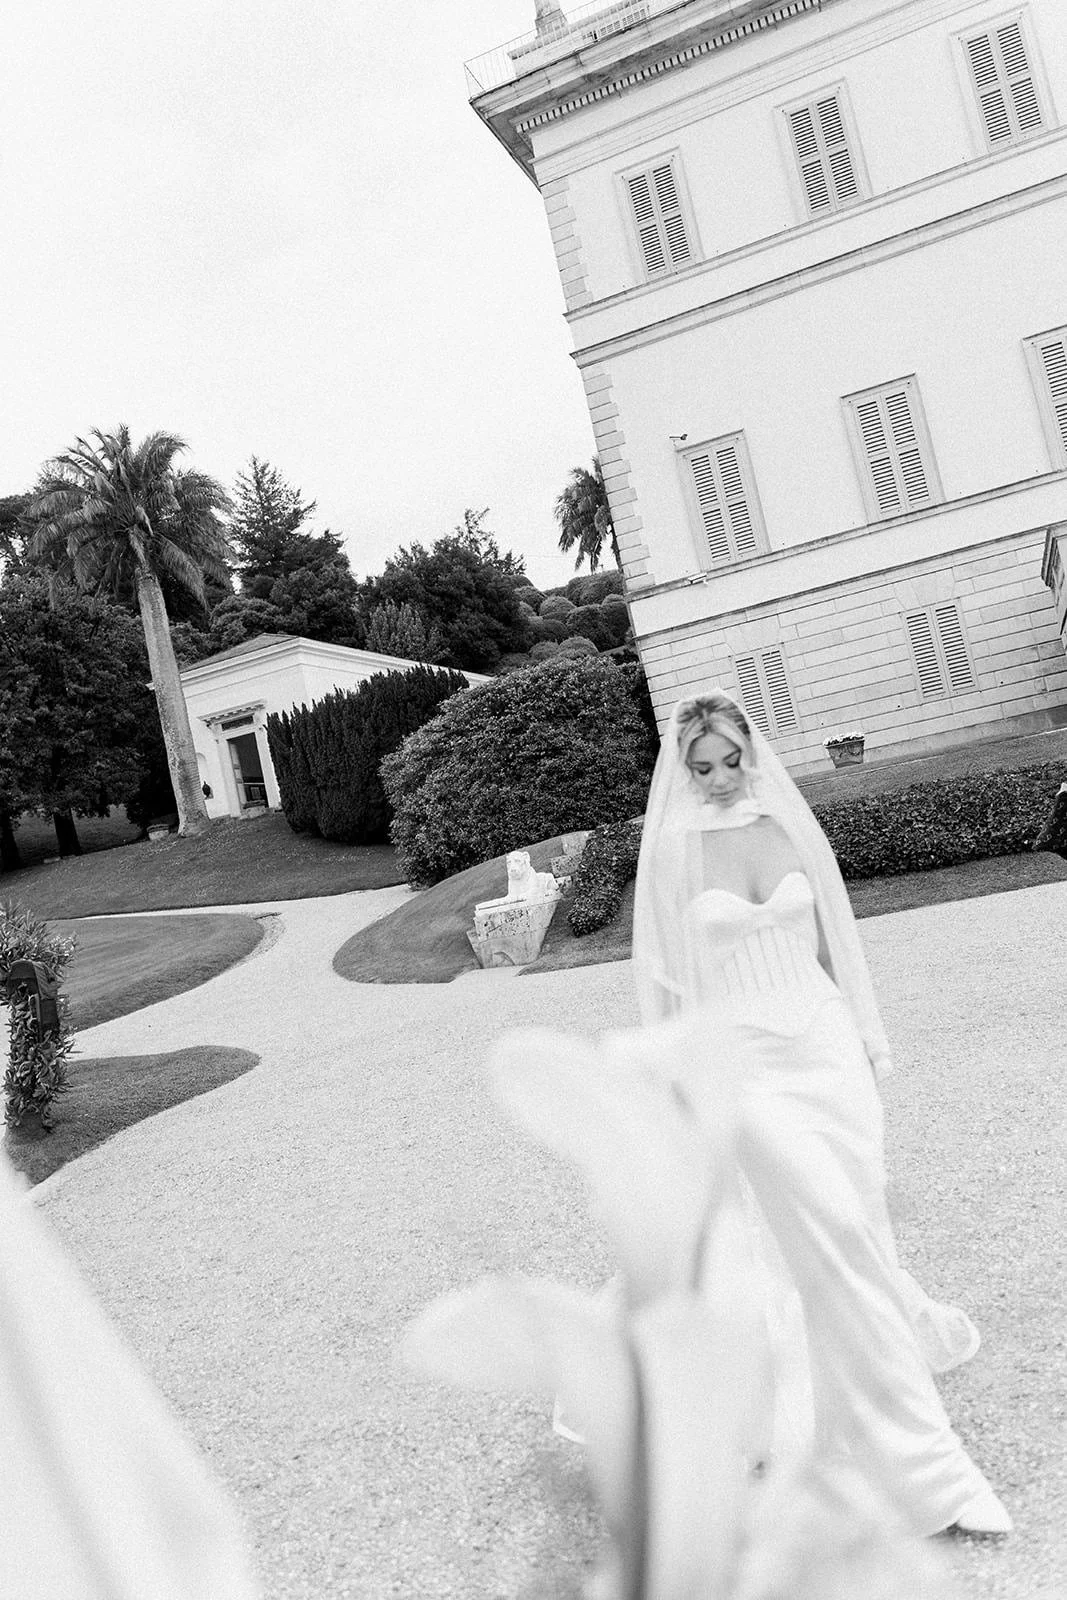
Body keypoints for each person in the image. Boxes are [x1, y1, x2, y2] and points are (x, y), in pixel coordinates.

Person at [630, 688, 1012, 1538]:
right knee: (804, 1228)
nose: (723, 778)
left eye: (732, 759)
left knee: (861, 1209)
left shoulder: (789, 827)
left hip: (824, 1043)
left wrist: (869, 1042)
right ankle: (864, 1443)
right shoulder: (670, 856)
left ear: (751, 753)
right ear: (682, 773)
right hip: (747, 1063)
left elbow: (838, 940)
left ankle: (876, 1378)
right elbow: (664, 982)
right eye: (704, 767)